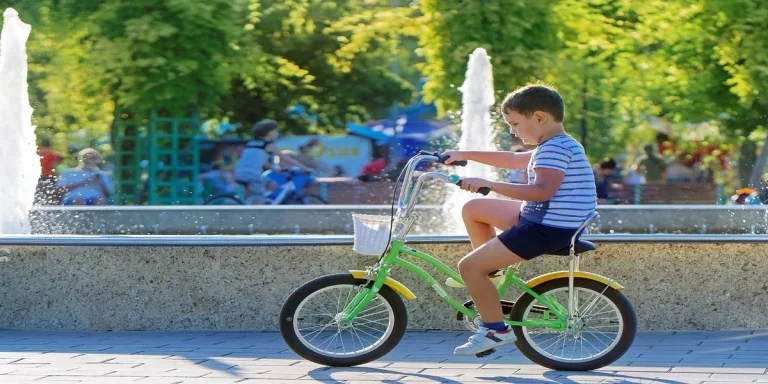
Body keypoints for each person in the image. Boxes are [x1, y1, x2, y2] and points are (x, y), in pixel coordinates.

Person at [441, 84, 596, 356]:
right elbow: (513, 160)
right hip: (543, 219)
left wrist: (489, 184)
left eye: (515, 123)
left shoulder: (553, 150)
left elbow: (542, 191)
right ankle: (493, 272)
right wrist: (463, 154)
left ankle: (495, 330)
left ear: (539, 118)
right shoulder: (557, 144)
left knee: (469, 267)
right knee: (474, 208)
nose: (512, 131)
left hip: (545, 229)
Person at [233, 119, 313, 204]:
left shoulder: (251, 144)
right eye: (275, 131)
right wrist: (305, 168)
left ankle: (265, 202)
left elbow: (262, 162)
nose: (277, 133)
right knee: (258, 200)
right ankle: (257, 209)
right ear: (269, 132)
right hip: (252, 175)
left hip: (240, 172)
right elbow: (286, 158)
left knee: (272, 185)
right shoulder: (268, 145)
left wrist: (276, 170)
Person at [35, 138, 63, 205]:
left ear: (41, 145)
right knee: (50, 194)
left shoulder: (37, 154)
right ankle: (50, 206)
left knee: (38, 193)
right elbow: (54, 165)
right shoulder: (52, 154)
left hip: (38, 177)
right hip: (48, 177)